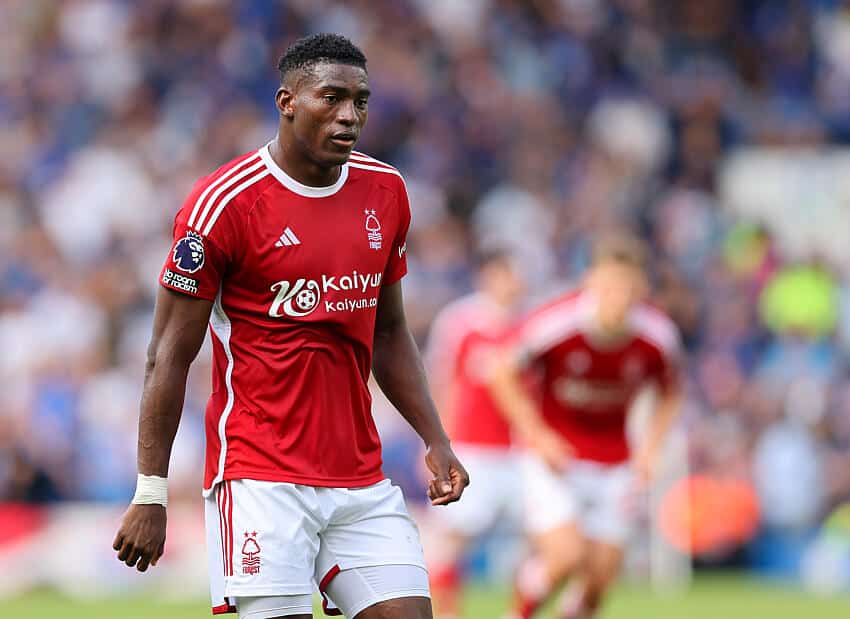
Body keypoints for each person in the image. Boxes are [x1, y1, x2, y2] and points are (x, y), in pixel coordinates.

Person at [112, 33, 469, 619]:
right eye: (332, 98)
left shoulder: (387, 191)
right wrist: (151, 491)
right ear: (288, 102)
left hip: (359, 476)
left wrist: (436, 437)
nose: (350, 116)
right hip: (259, 477)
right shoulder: (223, 204)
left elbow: (387, 330)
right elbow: (168, 354)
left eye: (361, 101)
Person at [489, 233, 683, 619]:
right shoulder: (557, 322)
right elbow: (501, 372)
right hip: (556, 458)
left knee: (599, 581)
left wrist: (650, 448)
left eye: (628, 287)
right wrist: (538, 436)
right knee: (565, 556)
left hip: (615, 461)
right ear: (590, 282)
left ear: (641, 288)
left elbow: (670, 392)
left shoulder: (657, 335)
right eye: (609, 285)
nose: (618, 296)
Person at [423, 249, 527, 619]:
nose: (516, 281)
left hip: (520, 453)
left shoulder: (529, 324)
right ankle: (448, 614)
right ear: (489, 275)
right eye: (509, 273)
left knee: (540, 541)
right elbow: (440, 382)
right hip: (472, 449)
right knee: (452, 537)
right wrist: (437, 443)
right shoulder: (459, 322)